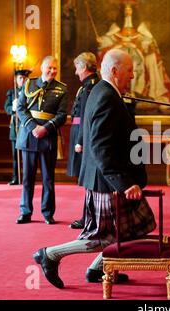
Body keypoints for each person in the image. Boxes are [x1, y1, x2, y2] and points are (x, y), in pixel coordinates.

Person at [33, 49, 156, 288]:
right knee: (102, 238)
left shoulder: (106, 91)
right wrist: (123, 183)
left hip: (111, 178)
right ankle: (50, 255)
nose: (133, 75)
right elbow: (100, 146)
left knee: (138, 226)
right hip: (107, 181)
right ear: (114, 70)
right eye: (130, 71)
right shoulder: (106, 96)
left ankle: (97, 269)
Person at [96, 3, 170, 107]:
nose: (128, 12)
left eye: (130, 10)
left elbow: (149, 43)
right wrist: (105, 42)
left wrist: (144, 46)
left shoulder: (143, 35)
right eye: (126, 10)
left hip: (139, 63)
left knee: (140, 60)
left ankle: (141, 93)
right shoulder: (113, 35)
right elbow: (107, 43)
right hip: (120, 62)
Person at [15, 56, 68, 225]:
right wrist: (33, 127)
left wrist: (45, 128)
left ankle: (47, 213)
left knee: (48, 179)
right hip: (29, 136)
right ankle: (25, 212)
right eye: (49, 68)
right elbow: (21, 109)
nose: (52, 71)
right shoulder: (29, 84)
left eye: (55, 69)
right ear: (42, 68)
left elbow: (61, 115)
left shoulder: (62, 89)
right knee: (27, 178)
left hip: (48, 137)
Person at [66, 52, 99, 229]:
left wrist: (81, 141)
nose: (76, 72)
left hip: (83, 135)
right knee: (87, 179)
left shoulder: (90, 87)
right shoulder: (88, 85)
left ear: (85, 67)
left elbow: (86, 117)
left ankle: (88, 217)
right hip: (80, 133)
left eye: (78, 67)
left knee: (88, 179)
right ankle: (88, 216)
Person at [4, 69, 31, 185]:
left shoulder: (31, 92)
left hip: (26, 126)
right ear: (16, 80)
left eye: (25, 78)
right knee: (15, 155)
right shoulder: (12, 92)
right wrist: (13, 108)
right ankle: (16, 177)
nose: (23, 80)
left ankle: (27, 178)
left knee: (27, 155)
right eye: (20, 78)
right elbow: (7, 108)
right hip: (15, 126)